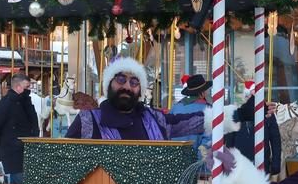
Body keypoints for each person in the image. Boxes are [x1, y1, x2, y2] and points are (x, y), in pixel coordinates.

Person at [65, 57, 259, 140]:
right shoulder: (88, 121)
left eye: (134, 82)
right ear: (109, 84)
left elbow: (196, 122)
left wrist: (241, 113)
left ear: (140, 90)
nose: (126, 86)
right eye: (121, 79)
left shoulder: (154, 119)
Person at [0, 73, 40, 184]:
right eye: (26, 87)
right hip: (13, 153)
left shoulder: (25, 101)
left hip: (26, 150)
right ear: (18, 87)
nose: (28, 90)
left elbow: (33, 122)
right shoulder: (5, 104)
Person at [226, 93, 283, 177]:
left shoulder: (267, 114)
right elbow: (230, 142)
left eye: (251, 96)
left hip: (262, 163)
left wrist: (276, 163)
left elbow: (275, 140)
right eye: (247, 96)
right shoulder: (235, 115)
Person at [169, 73, 212, 154]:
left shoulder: (175, 108)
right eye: (206, 90)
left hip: (175, 157)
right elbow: (209, 139)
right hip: (196, 159)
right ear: (202, 93)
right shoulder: (208, 109)